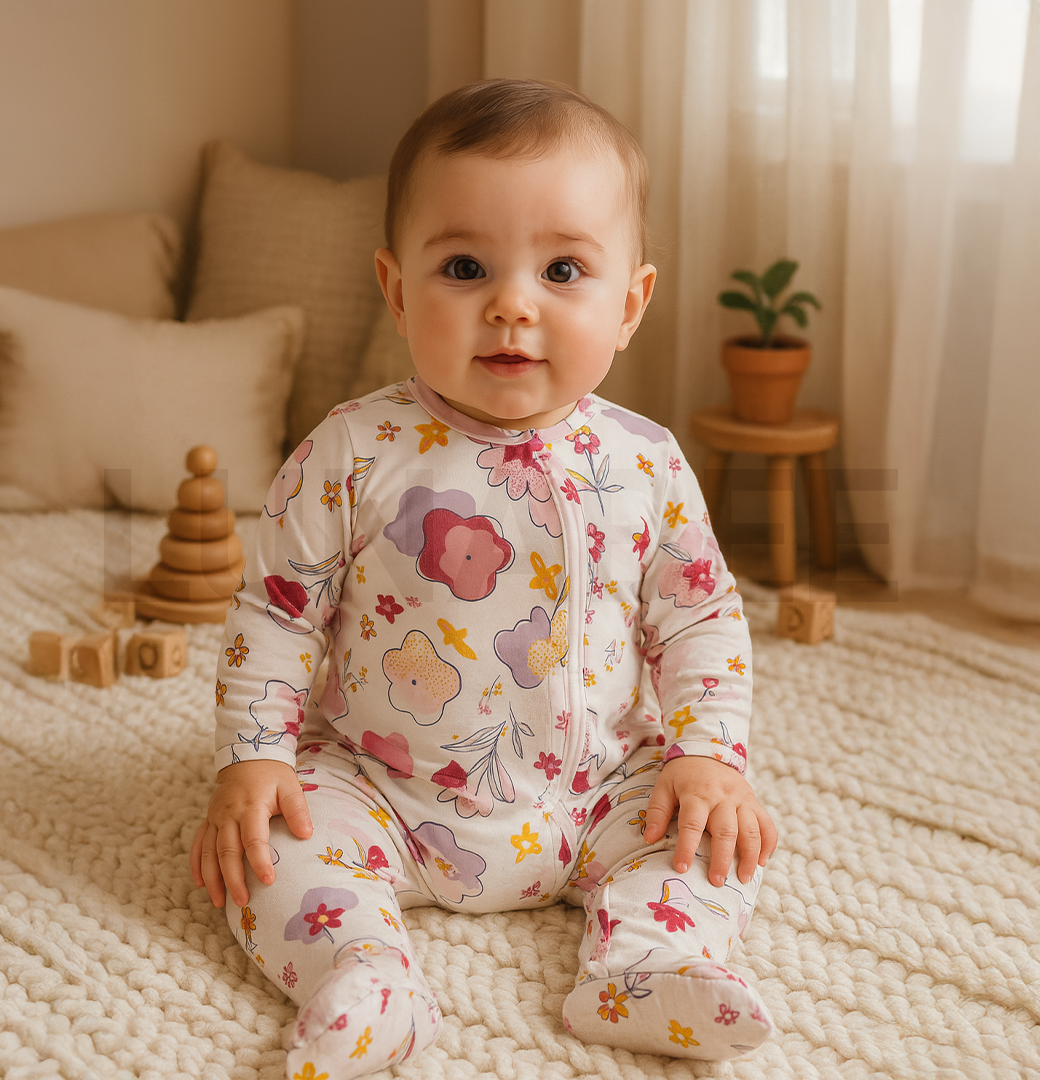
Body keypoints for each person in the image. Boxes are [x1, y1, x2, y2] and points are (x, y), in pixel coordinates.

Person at [191, 78, 778, 1079]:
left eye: (562, 269)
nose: (512, 303)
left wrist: (707, 753)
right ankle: (363, 973)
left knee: (712, 835)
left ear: (629, 303)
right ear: (396, 289)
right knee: (264, 848)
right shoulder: (354, 451)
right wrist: (252, 757)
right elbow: (280, 615)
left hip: (593, 787)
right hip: (383, 788)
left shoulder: (646, 465)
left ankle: (647, 961)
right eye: (465, 266)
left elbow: (698, 619)